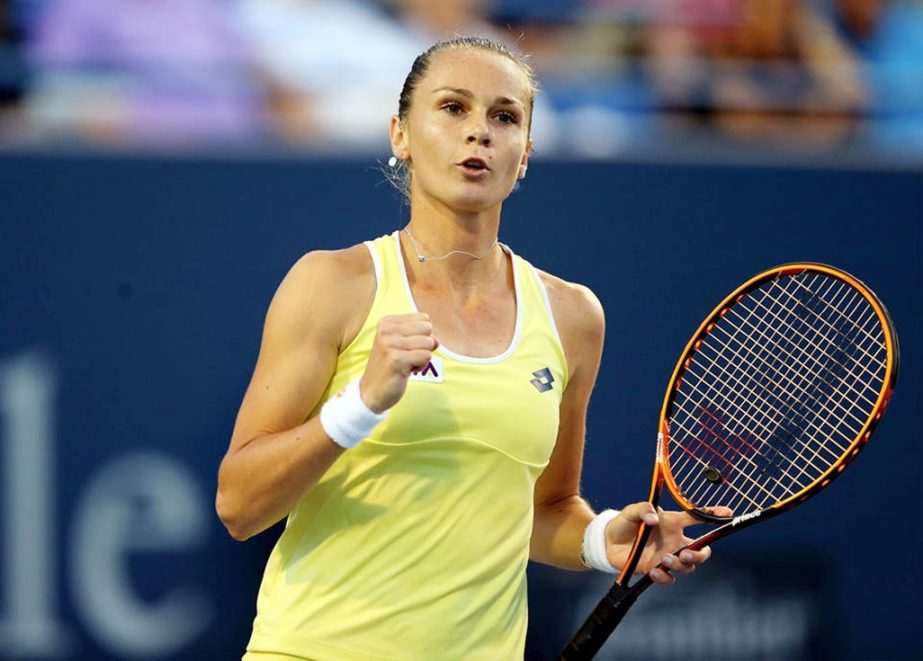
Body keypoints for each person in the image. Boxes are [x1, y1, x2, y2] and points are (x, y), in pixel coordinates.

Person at [216, 36, 719, 660]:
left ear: (526, 154)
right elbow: (239, 505)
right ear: (400, 134)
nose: (478, 132)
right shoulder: (332, 286)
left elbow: (544, 509)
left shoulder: (573, 316)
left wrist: (599, 540)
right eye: (453, 108)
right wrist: (360, 404)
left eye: (504, 117)